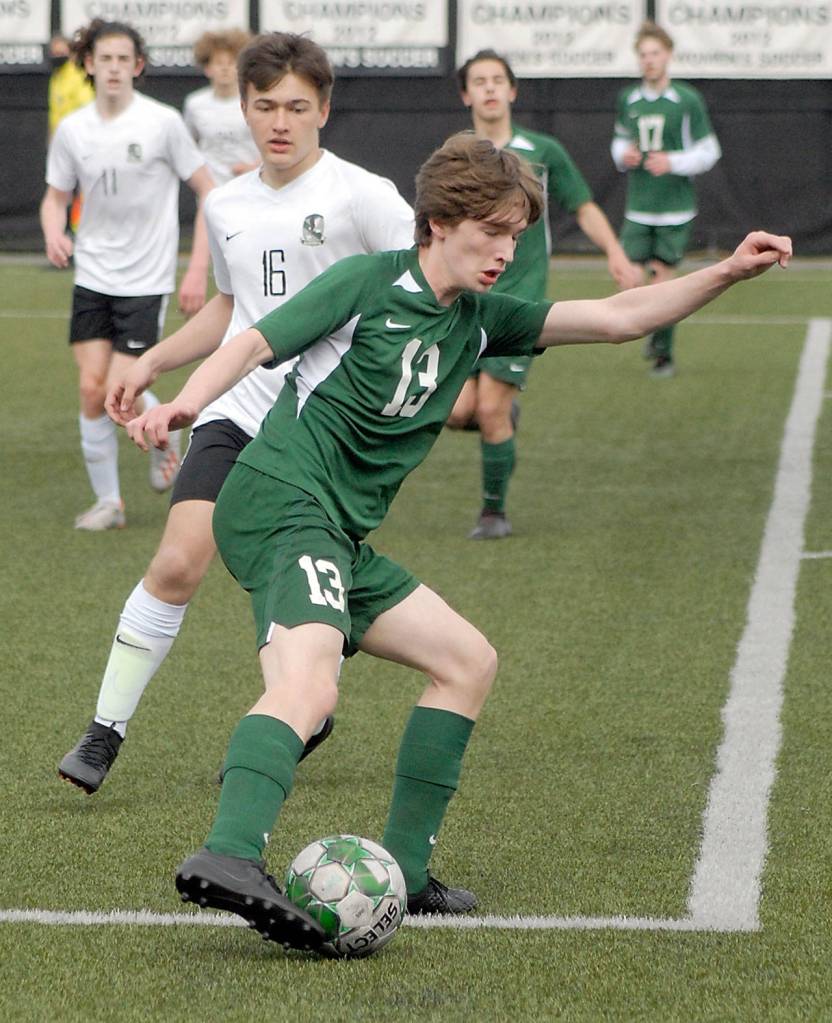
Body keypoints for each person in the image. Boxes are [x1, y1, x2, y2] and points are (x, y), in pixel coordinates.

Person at [124, 131, 790, 949]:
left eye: (517, 235)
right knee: (310, 685)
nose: (507, 251)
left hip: (336, 531)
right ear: (439, 222)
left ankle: (405, 870)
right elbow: (254, 341)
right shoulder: (369, 282)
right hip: (282, 501)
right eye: (493, 231)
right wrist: (185, 403)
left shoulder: (478, 321)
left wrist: (726, 271)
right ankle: (228, 853)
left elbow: (617, 317)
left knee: (467, 661)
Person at [56, 32, 415, 795]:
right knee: (177, 560)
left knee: (288, 594)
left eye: (296, 107)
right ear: (244, 109)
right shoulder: (225, 203)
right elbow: (230, 307)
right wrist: (153, 361)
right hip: (239, 407)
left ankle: (300, 706)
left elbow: (422, 284)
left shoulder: (364, 196)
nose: (280, 122)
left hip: (325, 432)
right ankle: (104, 728)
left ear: (324, 109)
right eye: (265, 106)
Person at [446, 49, 642, 541]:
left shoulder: (543, 151)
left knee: (489, 408)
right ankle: (501, 417)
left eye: (498, 80)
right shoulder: (457, 155)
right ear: (466, 95)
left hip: (520, 302)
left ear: (513, 91)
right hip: (466, 300)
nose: (490, 89)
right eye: (479, 81)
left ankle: (493, 513)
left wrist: (615, 252)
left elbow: (583, 206)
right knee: (455, 410)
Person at [40, 19, 215, 531]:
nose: (114, 68)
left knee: (120, 387)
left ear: (137, 66)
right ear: (88, 64)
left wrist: (196, 268)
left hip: (146, 278)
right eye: (105, 58)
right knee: (92, 388)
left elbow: (208, 190)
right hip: (93, 273)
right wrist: (53, 231)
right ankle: (109, 503)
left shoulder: (163, 123)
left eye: (123, 59)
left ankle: (165, 430)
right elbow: (55, 197)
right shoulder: (73, 129)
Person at [611, 21, 722, 378]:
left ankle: (663, 353)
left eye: (655, 53)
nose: (649, 60)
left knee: (663, 282)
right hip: (638, 207)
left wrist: (672, 162)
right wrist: (623, 155)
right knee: (629, 278)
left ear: (668, 55)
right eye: (643, 54)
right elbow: (619, 141)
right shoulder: (629, 99)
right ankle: (650, 327)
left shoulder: (686, 100)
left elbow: (709, 151)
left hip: (675, 210)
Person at [183, 29, 260, 186]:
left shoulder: (256, 101)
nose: (225, 68)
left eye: (231, 62)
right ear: (207, 68)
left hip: (251, 184)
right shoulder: (195, 104)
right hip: (212, 188)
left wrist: (255, 168)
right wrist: (203, 182)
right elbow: (188, 148)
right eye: (219, 63)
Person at [47, 34, 95, 234]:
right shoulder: (56, 77)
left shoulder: (76, 75)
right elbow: (55, 113)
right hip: (60, 147)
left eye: (61, 52)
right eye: (54, 52)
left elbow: (87, 110)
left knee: (82, 192)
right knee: (61, 192)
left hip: (80, 145)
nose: (57, 56)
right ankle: (64, 234)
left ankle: (80, 233)